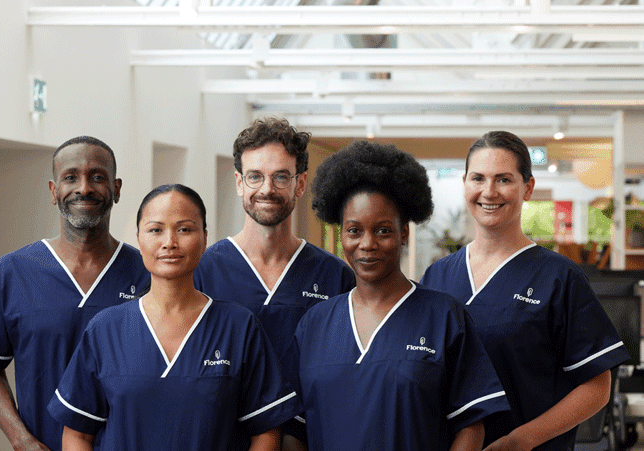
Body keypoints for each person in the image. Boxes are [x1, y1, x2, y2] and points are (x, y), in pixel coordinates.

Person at [282, 140, 510, 451]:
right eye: (354, 230)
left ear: (404, 233)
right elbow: (295, 431)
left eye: (383, 230)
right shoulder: (314, 325)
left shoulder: (444, 317)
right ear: (341, 234)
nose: (367, 244)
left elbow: (471, 424)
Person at [48, 184, 301, 451]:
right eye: (156, 230)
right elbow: (78, 434)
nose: (169, 242)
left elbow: (266, 432)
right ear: (139, 239)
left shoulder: (238, 326)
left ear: (204, 238)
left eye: (184, 229)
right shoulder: (105, 329)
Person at [421, 130, 630, 451]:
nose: (489, 192)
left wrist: (522, 440)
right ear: (465, 183)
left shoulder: (559, 277)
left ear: (527, 188)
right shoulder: (438, 274)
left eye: (503, 179)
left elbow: (597, 387)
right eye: (478, 178)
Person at [0, 136, 150, 451]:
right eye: (70, 177)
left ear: (116, 188)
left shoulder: (148, 273)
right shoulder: (11, 273)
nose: (84, 187)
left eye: (98, 177)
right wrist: (21, 440)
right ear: (53, 190)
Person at [193, 118, 355, 449]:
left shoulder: (335, 277)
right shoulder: (203, 271)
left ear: (300, 184)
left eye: (280, 176)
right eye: (255, 176)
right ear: (239, 182)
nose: (267, 188)